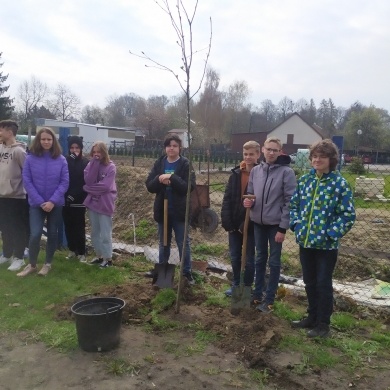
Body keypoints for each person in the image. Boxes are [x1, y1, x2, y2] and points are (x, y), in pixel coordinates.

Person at [289, 139, 355, 338]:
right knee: (309, 282)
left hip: (326, 247)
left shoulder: (339, 184)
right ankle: (312, 316)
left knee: (323, 283)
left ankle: (323, 325)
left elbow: (348, 215)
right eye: (315, 156)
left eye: (322, 157)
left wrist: (331, 233)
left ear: (331, 160)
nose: (317, 160)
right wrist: (297, 226)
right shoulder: (305, 181)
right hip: (306, 242)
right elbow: (293, 206)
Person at [244, 137, 296, 313]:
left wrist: (283, 227)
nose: (271, 153)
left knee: (274, 262)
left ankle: (269, 299)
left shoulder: (286, 172)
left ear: (280, 152)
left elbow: (290, 201)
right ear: (263, 150)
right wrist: (248, 202)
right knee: (260, 259)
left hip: (275, 225)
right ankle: (257, 294)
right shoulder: (256, 171)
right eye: (269, 149)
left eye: (275, 150)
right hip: (258, 223)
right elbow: (250, 193)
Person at [18, 127, 69, 277]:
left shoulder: (61, 160)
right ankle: (32, 265)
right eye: (43, 139)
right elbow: (27, 181)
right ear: (38, 141)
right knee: (35, 234)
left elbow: (64, 182)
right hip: (36, 204)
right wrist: (40, 202)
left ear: (53, 141)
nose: (46, 142)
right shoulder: (30, 158)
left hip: (56, 204)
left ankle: (47, 264)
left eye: (49, 139)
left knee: (53, 234)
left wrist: (52, 201)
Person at [145, 133, 196, 284]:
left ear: (180, 148)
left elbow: (188, 187)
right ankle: (162, 271)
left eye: (175, 146)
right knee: (163, 243)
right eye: (169, 146)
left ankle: (187, 273)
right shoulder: (160, 163)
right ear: (165, 148)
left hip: (179, 211)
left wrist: (172, 178)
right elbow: (149, 185)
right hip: (163, 210)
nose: (171, 148)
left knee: (183, 243)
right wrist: (160, 179)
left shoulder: (185, 164)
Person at [221, 141, 260, 296]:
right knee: (235, 255)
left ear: (258, 154)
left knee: (249, 258)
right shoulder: (236, 174)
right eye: (245, 154)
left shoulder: (261, 175)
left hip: (251, 225)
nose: (248, 157)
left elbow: (259, 202)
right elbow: (227, 199)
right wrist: (228, 222)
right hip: (234, 223)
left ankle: (247, 287)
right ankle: (237, 284)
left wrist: (246, 223)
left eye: (251, 154)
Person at [0, 120, 29, 271]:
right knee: (5, 227)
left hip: (16, 197)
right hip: (2, 196)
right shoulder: (0, 148)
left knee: (17, 227)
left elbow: (27, 173)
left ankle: (19, 257)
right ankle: (7, 254)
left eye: (1, 130)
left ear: (9, 132)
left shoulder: (19, 152)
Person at [83, 141, 117, 268]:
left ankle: (108, 259)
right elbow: (88, 180)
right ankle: (99, 256)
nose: (96, 154)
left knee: (105, 233)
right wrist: (94, 163)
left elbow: (106, 186)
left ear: (104, 152)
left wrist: (88, 189)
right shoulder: (90, 165)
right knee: (95, 232)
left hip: (105, 203)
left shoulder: (111, 167)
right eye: (94, 152)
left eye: (99, 152)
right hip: (93, 203)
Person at [63, 136, 89, 262]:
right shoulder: (66, 161)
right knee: (68, 225)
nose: (74, 150)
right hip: (65, 199)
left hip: (79, 199)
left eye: (77, 148)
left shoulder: (85, 163)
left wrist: (74, 195)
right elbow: (64, 177)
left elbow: (84, 182)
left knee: (79, 227)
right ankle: (72, 249)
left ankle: (82, 252)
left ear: (81, 148)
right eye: (72, 148)